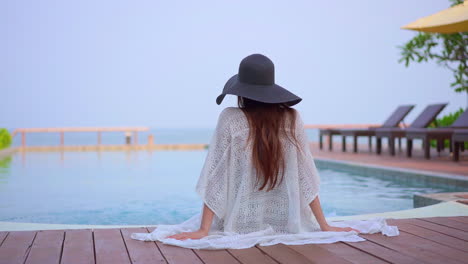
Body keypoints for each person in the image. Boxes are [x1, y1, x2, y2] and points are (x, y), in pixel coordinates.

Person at [131, 54, 398, 250]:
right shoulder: (292, 118)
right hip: (291, 222)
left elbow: (216, 177)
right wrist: (324, 225)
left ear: (241, 92)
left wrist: (203, 229)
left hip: (240, 224)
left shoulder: (231, 118)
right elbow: (308, 178)